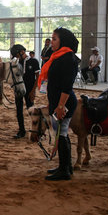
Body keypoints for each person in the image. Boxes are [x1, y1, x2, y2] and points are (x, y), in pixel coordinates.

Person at [37, 27, 79, 181]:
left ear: (63, 41)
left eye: (55, 39)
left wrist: (61, 106)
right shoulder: (57, 56)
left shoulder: (68, 58)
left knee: (61, 134)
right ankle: (65, 166)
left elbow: (66, 86)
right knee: (62, 134)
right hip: (57, 102)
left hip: (64, 103)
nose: (51, 42)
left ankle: (65, 170)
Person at [10, 44, 40, 139]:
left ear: (22, 51)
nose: (17, 57)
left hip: (29, 89)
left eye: (17, 55)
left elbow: (38, 78)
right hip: (19, 89)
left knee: (31, 110)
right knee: (19, 111)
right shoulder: (16, 63)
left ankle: (36, 131)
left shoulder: (33, 61)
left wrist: (33, 91)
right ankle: (21, 130)